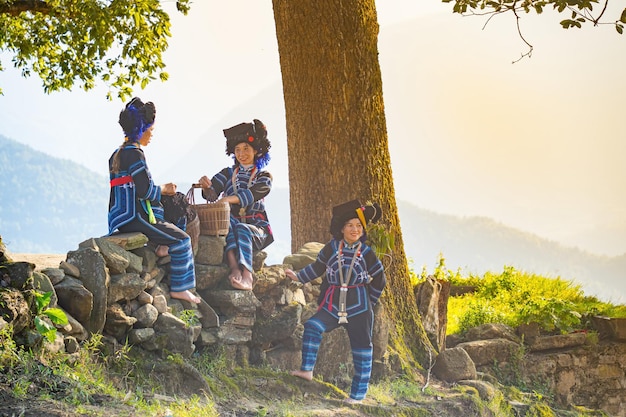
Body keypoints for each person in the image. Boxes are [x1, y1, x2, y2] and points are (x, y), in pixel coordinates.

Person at [285, 199, 386, 404]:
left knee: (362, 348)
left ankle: (358, 395)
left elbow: (380, 279)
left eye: (358, 226)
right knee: (313, 326)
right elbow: (317, 268)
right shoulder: (331, 247)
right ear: (341, 228)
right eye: (350, 225)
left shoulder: (367, 253)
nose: (354, 229)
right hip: (332, 304)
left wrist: (370, 301)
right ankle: (307, 370)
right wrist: (298, 277)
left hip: (359, 307)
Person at [108, 97, 201, 304]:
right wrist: (165, 189)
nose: (151, 134)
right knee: (183, 239)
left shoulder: (117, 153)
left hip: (119, 217)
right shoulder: (136, 154)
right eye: (150, 129)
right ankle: (181, 287)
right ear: (141, 130)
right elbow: (145, 191)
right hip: (135, 217)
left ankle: (162, 245)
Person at [198, 119, 274, 291]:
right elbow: (211, 195)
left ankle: (247, 274)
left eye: (246, 148)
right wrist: (207, 187)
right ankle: (234, 268)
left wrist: (228, 199)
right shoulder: (227, 173)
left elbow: (255, 193)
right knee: (230, 224)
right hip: (232, 224)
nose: (242, 153)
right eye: (238, 150)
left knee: (242, 228)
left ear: (256, 150)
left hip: (257, 229)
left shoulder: (264, 176)